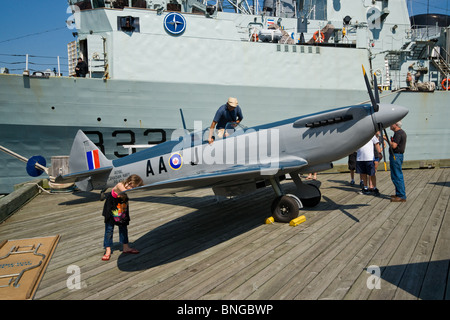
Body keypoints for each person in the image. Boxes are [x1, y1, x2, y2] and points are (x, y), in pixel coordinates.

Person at [102, 174, 144, 261]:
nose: (129, 187)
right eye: (129, 184)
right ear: (128, 181)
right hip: (112, 207)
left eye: (132, 186)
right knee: (109, 229)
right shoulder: (120, 185)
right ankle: (108, 249)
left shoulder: (129, 190)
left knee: (123, 228)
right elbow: (126, 191)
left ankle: (126, 247)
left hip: (122, 208)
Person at [385, 121, 407, 202]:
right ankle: (399, 193)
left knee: (397, 175)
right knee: (396, 175)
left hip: (396, 156)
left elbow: (394, 145)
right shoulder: (401, 132)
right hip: (398, 156)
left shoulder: (398, 133)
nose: (390, 125)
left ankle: (401, 196)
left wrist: (387, 139)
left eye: (392, 123)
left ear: (396, 125)